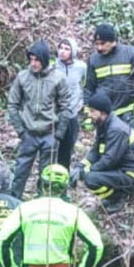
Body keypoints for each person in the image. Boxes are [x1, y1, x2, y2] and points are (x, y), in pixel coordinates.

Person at [84, 22, 134, 172]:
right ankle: (111, 178)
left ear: (113, 41)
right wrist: (88, 115)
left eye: (103, 43)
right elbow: (89, 88)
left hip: (130, 110)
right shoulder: (93, 60)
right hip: (106, 115)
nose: (99, 48)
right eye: (97, 44)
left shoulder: (131, 53)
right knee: (106, 146)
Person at [7, 41, 72, 200]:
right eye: (31, 59)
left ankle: (43, 204)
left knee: (47, 174)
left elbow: (65, 107)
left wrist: (59, 135)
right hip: (28, 133)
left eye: (37, 60)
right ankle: (13, 202)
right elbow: (12, 104)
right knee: (21, 171)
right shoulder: (23, 77)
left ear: (44, 60)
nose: (33, 63)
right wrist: (21, 131)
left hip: (50, 133)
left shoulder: (58, 78)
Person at [71, 90, 134, 212]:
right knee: (89, 174)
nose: (89, 114)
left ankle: (118, 198)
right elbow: (95, 151)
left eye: (92, 111)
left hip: (131, 174)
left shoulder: (116, 129)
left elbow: (109, 160)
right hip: (120, 169)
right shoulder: (103, 124)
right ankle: (114, 196)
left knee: (90, 179)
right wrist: (81, 166)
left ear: (103, 112)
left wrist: (85, 172)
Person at [55, 38, 85, 169]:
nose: (63, 51)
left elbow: (86, 85)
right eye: (61, 48)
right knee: (51, 147)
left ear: (73, 51)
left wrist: (81, 102)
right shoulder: (52, 66)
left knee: (67, 147)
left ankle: (63, 175)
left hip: (72, 113)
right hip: (55, 113)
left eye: (67, 49)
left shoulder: (81, 67)